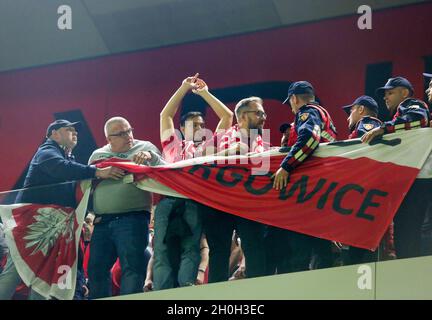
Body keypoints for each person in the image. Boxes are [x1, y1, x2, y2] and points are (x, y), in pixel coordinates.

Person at [0, 119, 124, 300]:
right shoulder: (47, 151)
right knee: (16, 270)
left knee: (44, 275)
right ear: (54, 134)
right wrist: (96, 171)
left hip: (53, 228)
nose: (75, 133)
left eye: (75, 130)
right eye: (69, 130)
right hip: (33, 228)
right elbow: (61, 168)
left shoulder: (68, 158)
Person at [154, 74, 233, 290]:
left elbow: (227, 116)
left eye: (202, 124)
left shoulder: (209, 146)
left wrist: (205, 93)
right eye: (194, 125)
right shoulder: (173, 144)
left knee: (191, 249)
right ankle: (161, 292)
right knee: (161, 250)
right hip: (168, 203)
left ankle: (185, 290)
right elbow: (165, 114)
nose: (199, 128)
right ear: (181, 127)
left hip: (194, 203)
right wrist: (183, 88)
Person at [87, 117, 164, 299]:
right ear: (109, 139)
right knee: (96, 269)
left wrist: (151, 157)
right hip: (102, 222)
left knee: (133, 269)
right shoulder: (97, 155)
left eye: (129, 130)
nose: (128, 136)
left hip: (133, 218)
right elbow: (85, 186)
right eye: (121, 133)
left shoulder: (145, 148)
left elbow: (166, 169)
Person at [362, 76, 431, 258]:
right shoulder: (399, 115)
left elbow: (419, 119)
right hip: (409, 180)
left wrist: (384, 128)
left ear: (405, 93)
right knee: (405, 231)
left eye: (390, 92)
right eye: (385, 94)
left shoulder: (412, 104)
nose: (386, 97)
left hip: (420, 179)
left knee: (413, 230)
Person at [272, 81, 338, 273]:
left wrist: (286, 166)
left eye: (290, 102)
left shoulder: (306, 112)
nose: (291, 107)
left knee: (300, 246)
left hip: (308, 187)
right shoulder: (324, 114)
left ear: (294, 98)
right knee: (320, 244)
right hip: (323, 185)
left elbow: (309, 139)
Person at [203, 96, 269, 283]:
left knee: (255, 248)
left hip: (250, 203)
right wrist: (230, 152)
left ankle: (260, 295)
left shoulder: (263, 143)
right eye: (258, 113)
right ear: (242, 116)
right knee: (219, 252)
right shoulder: (221, 135)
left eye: (263, 113)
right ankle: (217, 297)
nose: (263, 117)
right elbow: (201, 160)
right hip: (219, 202)